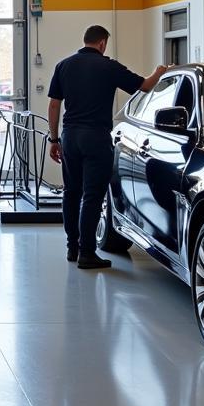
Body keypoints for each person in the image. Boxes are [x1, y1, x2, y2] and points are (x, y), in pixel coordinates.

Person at [47, 25, 167, 270]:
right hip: (95, 137)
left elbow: (53, 105)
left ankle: (73, 247)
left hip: (70, 136)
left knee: (71, 192)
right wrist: (160, 71)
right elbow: (144, 86)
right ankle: (88, 254)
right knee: (92, 196)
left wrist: (54, 139)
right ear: (102, 43)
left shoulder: (63, 65)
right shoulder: (109, 66)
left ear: (86, 41)